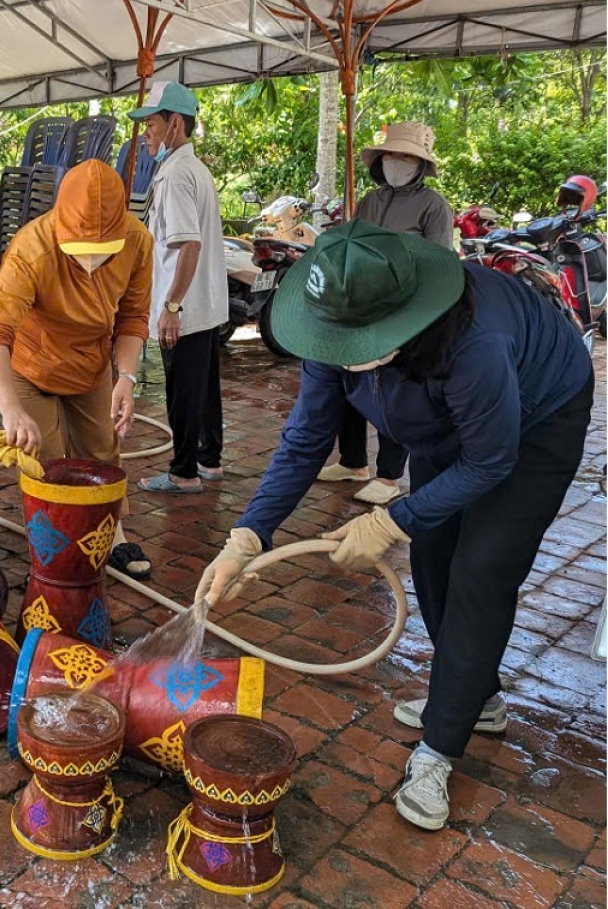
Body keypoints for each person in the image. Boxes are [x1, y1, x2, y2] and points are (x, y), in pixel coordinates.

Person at [198, 220, 593, 831]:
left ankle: (440, 748)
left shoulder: (475, 341)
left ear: (404, 319)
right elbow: (305, 440)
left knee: (481, 571)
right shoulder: (335, 325)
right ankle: (473, 698)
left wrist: (392, 519)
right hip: (439, 424)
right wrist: (247, 535)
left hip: (538, 419)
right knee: (433, 556)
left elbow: (491, 459)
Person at [0, 159, 155, 579]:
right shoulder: (32, 248)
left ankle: (113, 536)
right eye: (80, 251)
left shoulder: (138, 241)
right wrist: (11, 409)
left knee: (103, 450)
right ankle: (56, 550)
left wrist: (125, 377)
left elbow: (132, 317)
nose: (91, 261)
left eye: (102, 251)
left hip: (92, 363)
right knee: (49, 465)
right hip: (32, 367)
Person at [316, 121, 454, 506]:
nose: (398, 162)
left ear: (421, 164)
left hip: (405, 310)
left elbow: (440, 262)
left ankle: (390, 476)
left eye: (407, 156)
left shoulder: (433, 206)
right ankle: (352, 460)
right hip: (362, 304)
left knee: (394, 389)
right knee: (352, 380)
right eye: (392, 154)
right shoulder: (371, 201)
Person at [126, 81, 229, 494]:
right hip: (203, 304)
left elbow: (189, 243)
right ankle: (210, 460)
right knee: (204, 387)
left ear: (175, 124)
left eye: (151, 123)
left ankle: (183, 472)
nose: (147, 133)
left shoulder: (176, 176)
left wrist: (171, 305)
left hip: (184, 306)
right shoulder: (193, 169)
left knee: (182, 389)